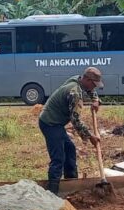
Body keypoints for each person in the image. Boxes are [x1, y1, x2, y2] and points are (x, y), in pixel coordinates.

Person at [37, 67, 103, 195]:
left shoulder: (77, 79)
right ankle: (52, 193)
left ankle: (71, 186)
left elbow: (90, 90)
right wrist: (90, 137)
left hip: (56, 123)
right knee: (58, 158)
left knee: (70, 149)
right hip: (50, 123)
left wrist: (95, 100)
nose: (94, 87)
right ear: (87, 80)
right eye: (94, 84)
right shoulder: (75, 93)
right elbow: (75, 120)